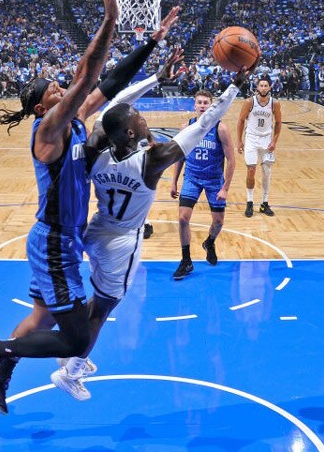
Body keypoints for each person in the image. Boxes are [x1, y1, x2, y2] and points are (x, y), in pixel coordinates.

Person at [0, 0, 178, 414]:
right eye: (52, 89)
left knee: (42, 319)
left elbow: (112, 78)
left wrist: (151, 44)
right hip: (54, 243)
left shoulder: (76, 120)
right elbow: (88, 73)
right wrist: (109, 20)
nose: (61, 89)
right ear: (41, 106)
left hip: (59, 238)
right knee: (78, 338)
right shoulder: (47, 131)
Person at [51, 68, 247, 401]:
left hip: (96, 230)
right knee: (102, 309)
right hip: (122, 244)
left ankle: (72, 350)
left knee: (97, 302)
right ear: (130, 132)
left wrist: (155, 78)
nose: (144, 120)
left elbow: (115, 104)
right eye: (139, 119)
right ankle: (71, 370)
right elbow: (203, 125)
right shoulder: (153, 160)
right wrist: (233, 88)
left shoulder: (97, 147)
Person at [169, 90, 236, 280]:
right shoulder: (186, 127)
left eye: (206, 102)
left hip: (214, 179)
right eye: (199, 102)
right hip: (192, 177)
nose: (203, 105)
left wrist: (225, 188)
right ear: (194, 105)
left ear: (212, 106)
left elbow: (231, 160)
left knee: (218, 221)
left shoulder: (220, 128)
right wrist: (174, 181)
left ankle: (210, 242)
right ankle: (186, 260)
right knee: (183, 218)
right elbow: (179, 156)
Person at [237, 76, 282, 217]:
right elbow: (241, 120)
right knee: (251, 170)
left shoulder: (275, 103)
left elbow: (279, 122)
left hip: (266, 140)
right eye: (261, 85)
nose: (263, 88)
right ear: (257, 87)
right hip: (251, 139)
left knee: (266, 172)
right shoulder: (249, 102)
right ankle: (250, 202)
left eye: (265, 85)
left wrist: (274, 140)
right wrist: (239, 141)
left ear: (269, 87)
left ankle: (264, 203)